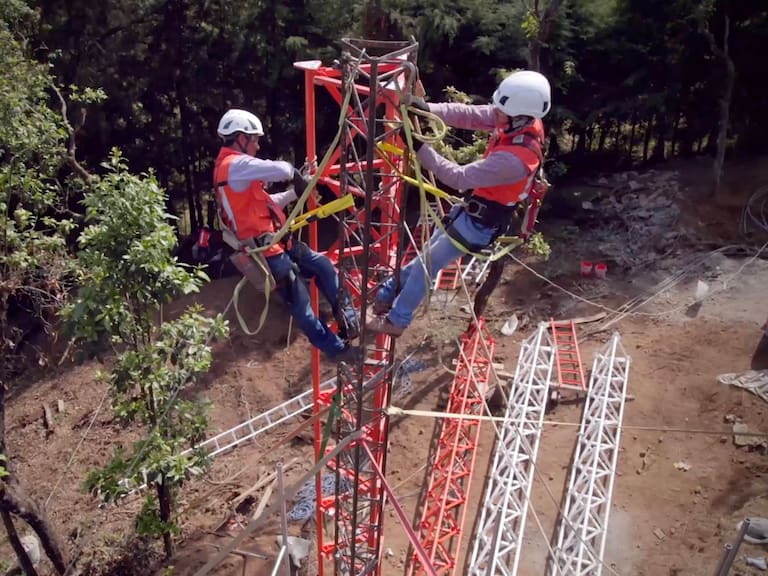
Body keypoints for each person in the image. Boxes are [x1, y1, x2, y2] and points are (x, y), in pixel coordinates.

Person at [367, 70, 551, 337]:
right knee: (424, 258)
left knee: (425, 266)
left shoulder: (515, 160)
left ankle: (397, 321)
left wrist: (419, 149)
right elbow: (472, 115)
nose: (494, 113)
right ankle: (387, 292)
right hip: (471, 212)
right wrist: (428, 108)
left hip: (479, 225)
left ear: (519, 115)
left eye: (500, 110)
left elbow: (458, 177)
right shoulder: (516, 121)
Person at [213, 108, 360, 361]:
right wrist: (295, 175)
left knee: (323, 265)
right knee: (303, 308)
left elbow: (268, 202)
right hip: (267, 255)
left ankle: (347, 319)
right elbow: (281, 170)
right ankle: (338, 350)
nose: (257, 146)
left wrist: (297, 189)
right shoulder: (232, 166)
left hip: (278, 243)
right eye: (254, 140)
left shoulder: (236, 173)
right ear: (240, 138)